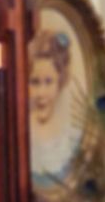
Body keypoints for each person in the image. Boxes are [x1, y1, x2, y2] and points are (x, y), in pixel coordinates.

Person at [28, 27, 82, 188]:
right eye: (35, 82)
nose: (41, 93)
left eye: (48, 82)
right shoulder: (18, 137)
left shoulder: (72, 139)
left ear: (60, 82)